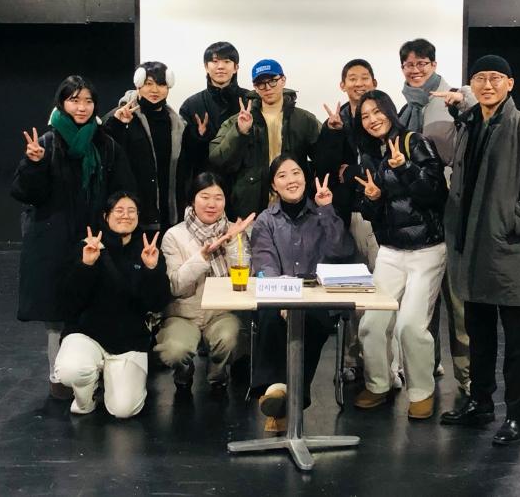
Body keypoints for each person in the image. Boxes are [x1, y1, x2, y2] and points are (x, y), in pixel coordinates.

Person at [437, 55, 520, 446]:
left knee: (517, 339)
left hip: (507, 248)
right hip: (469, 248)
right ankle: (481, 403)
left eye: (495, 78)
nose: (487, 85)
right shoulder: (469, 125)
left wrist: (510, 221)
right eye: (479, 78)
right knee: (478, 332)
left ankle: (517, 417)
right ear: (471, 85)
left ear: (510, 83)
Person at [11, 75, 134, 400]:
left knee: (95, 303)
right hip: (53, 242)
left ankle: (95, 370)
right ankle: (59, 376)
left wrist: (116, 225)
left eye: (88, 101)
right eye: (74, 100)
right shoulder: (47, 144)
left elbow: (122, 190)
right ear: (61, 104)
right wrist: (33, 164)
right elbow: (27, 193)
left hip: (94, 238)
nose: (82, 107)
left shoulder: (105, 144)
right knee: (56, 312)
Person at [351, 90, 448, 420]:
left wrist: (405, 167)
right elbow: (372, 212)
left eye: (377, 112)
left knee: (410, 325)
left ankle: (421, 391)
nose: (372, 119)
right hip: (390, 252)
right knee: (371, 324)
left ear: (390, 112)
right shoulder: (369, 155)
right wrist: (372, 198)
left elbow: (435, 194)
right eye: (365, 116)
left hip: (426, 250)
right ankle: (379, 383)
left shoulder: (414, 142)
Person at [249, 154, 354, 433]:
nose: (291, 180)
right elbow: (265, 265)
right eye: (282, 175)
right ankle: (281, 394)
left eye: (296, 173)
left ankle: (280, 398)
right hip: (279, 299)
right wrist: (285, 298)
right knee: (269, 316)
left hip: (318, 300)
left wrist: (327, 210)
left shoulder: (322, 213)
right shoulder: (265, 221)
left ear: (305, 178)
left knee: (311, 320)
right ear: (274, 185)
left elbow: (341, 252)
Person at [397, 37, 473, 396]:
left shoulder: (452, 98)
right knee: (425, 302)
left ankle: (469, 378)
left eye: (422, 63)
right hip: (423, 216)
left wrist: (464, 98)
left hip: (453, 214)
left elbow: (475, 112)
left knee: (458, 303)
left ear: (434, 65)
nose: (415, 70)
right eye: (409, 64)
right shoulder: (405, 110)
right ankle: (428, 367)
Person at [54, 192, 171, 418]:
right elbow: (68, 302)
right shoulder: (88, 246)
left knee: (124, 410)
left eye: (131, 211)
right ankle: (86, 398)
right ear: (106, 216)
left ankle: (112, 376)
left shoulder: (147, 249)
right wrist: (86, 265)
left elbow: (157, 302)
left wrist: (152, 270)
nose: (125, 215)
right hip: (86, 333)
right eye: (119, 210)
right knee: (71, 370)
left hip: (129, 339)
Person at [154, 172, 256, 391]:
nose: (212, 204)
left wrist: (231, 242)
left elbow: (246, 278)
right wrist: (202, 257)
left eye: (218, 197)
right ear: (193, 200)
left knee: (231, 339)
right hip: (183, 314)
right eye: (205, 197)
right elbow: (175, 286)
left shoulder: (236, 231)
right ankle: (183, 374)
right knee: (174, 350)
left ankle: (218, 375)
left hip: (221, 313)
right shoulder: (174, 235)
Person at [312, 58, 380, 380]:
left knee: (380, 289)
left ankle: (383, 362)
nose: (359, 83)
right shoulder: (335, 121)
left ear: (374, 83)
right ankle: (353, 359)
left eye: (364, 78)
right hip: (344, 216)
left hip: (375, 215)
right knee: (352, 290)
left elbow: (378, 167)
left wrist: (351, 171)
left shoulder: (380, 117)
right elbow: (324, 169)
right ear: (342, 85)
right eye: (352, 78)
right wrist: (332, 132)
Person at [209, 59, 321, 219]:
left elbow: (324, 160)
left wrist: (334, 132)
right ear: (255, 87)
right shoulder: (238, 120)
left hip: (295, 207)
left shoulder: (304, 120)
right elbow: (217, 159)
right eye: (261, 84)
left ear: (283, 80)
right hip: (250, 210)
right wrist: (240, 132)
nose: (267, 88)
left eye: (273, 81)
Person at [104, 61, 187, 238]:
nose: (155, 90)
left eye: (161, 84)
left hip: (168, 215)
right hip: (133, 213)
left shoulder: (177, 122)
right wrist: (116, 124)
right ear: (138, 85)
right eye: (148, 84)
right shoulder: (120, 116)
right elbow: (105, 152)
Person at [178, 42, 250, 184]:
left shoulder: (250, 101)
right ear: (206, 66)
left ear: (236, 67)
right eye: (215, 61)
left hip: (243, 182)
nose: (220, 66)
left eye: (227, 61)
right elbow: (185, 157)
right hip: (206, 184)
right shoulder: (191, 105)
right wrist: (199, 137)